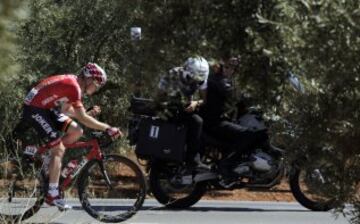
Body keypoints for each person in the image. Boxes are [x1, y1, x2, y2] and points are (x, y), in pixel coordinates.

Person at [21, 63, 123, 209]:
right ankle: (52, 194)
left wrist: (85, 115)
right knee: (59, 149)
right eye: (97, 84)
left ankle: (49, 157)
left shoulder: (74, 84)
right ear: (88, 78)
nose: (96, 88)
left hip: (43, 107)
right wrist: (107, 127)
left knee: (77, 131)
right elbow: (81, 117)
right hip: (35, 109)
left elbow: (66, 110)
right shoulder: (74, 87)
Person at [200, 57, 267, 185]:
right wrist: (256, 97)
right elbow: (234, 95)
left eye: (234, 68)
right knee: (248, 135)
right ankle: (226, 165)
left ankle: (237, 166)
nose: (230, 70)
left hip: (220, 120)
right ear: (221, 66)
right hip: (214, 123)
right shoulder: (218, 80)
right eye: (227, 67)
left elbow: (239, 102)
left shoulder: (226, 80)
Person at [155, 56, 209, 169]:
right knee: (196, 122)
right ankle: (189, 158)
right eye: (193, 77)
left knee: (199, 122)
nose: (195, 81)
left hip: (186, 109)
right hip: (169, 109)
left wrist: (195, 103)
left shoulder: (201, 79)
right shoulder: (172, 74)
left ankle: (193, 158)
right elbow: (159, 95)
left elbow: (204, 99)